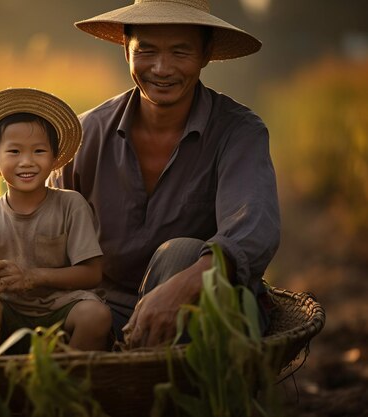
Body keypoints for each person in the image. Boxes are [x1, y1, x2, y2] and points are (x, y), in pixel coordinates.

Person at [51, 0, 280, 348]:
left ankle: (166, 388)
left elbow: (253, 229)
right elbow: (47, 229)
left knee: (181, 253)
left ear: (206, 55)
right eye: (147, 50)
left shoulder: (238, 131)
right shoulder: (87, 134)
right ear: (125, 51)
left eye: (180, 52)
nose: (161, 68)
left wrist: (183, 284)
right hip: (105, 311)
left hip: (205, 312)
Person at [0, 88, 111, 355]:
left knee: (96, 315)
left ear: (54, 158)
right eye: (14, 152)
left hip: (61, 308)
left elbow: (92, 274)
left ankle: (68, 387)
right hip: (8, 311)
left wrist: (32, 277)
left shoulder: (71, 205)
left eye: (39, 151)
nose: (27, 162)